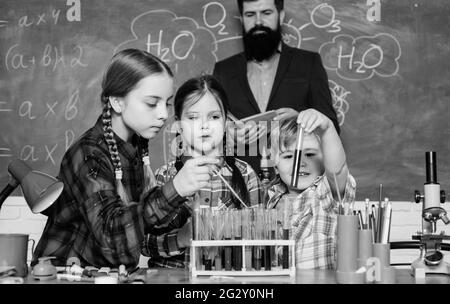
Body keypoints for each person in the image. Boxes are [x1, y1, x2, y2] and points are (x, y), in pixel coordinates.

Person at [31, 49, 219, 269]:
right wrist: (175, 188)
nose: (164, 114)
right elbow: (112, 236)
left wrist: (190, 206)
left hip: (110, 276)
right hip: (65, 276)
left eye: (166, 103)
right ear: (117, 102)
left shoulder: (134, 148)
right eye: (151, 103)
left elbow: (142, 222)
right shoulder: (90, 154)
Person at [141, 75, 263, 268]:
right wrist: (181, 238)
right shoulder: (165, 176)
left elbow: (261, 242)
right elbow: (143, 244)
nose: (204, 125)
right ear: (179, 124)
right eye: (193, 117)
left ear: (226, 121)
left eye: (214, 117)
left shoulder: (246, 175)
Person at [213, 0, 339, 174]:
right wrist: (228, 136)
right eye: (250, 15)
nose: (258, 21)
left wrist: (300, 119)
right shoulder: (223, 70)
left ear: (280, 16)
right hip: (241, 185)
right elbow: (208, 129)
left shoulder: (308, 63)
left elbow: (331, 128)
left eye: (266, 13)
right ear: (242, 19)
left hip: (296, 185)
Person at [266, 109, 356, 269]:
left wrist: (327, 129)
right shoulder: (272, 199)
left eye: (310, 154)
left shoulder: (324, 195)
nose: (299, 163)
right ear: (275, 165)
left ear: (324, 159)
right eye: (288, 156)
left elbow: (337, 168)